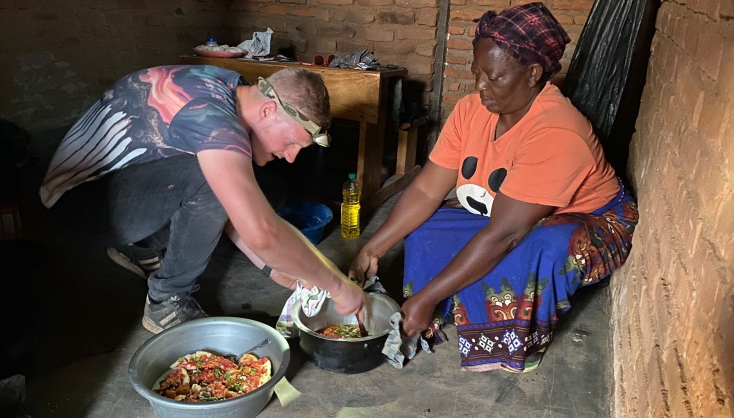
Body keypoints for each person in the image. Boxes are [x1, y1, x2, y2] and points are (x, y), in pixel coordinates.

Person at [348, 2, 638, 373]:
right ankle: (435, 306)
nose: (480, 87)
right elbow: (425, 191)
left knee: (540, 249)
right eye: (477, 73)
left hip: (591, 218)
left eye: (494, 77)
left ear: (533, 74)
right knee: (430, 225)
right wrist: (372, 249)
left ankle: (501, 337)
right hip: (511, 211)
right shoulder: (472, 110)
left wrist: (426, 296)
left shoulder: (556, 132)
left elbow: (504, 235)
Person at [39, 65, 365, 333]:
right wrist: (338, 286)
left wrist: (271, 266)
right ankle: (167, 302)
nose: (292, 157)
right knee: (209, 178)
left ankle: (142, 245)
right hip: (79, 205)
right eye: (293, 142)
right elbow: (260, 231)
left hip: (123, 188)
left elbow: (235, 207)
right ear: (268, 110)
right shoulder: (213, 121)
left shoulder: (230, 86)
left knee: (265, 189)